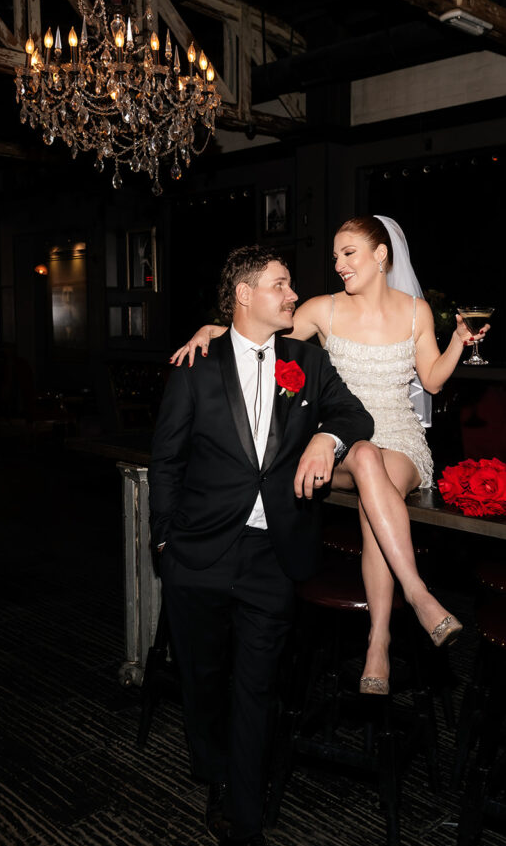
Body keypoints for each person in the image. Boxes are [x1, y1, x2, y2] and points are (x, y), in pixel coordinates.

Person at [172, 215, 489, 697]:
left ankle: (379, 639)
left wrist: (459, 344)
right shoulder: (324, 309)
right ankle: (417, 595)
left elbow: (431, 381)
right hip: (341, 441)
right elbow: (258, 333)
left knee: (375, 470)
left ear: (381, 256)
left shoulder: (416, 312)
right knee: (365, 458)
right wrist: (210, 330)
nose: (338, 264)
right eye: (336, 255)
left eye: (348, 253)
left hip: (400, 438)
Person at [149, 245, 373, 846]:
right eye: (280, 284)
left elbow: (354, 414)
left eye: (291, 284)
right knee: (202, 683)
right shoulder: (196, 365)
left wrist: (325, 438)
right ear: (244, 294)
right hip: (198, 553)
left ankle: (244, 830)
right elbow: (166, 460)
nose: (292, 293)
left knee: (256, 691)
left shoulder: (306, 360)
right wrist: (164, 538)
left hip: (273, 556)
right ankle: (218, 776)